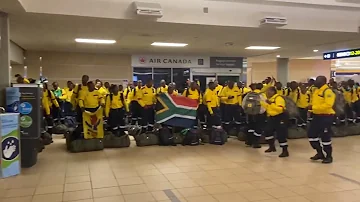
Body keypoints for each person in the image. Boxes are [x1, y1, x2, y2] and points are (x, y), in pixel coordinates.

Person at [308, 76, 335, 164]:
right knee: (311, 135)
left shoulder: (327, 91)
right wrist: (310, 110)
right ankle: (319, 153)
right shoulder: (316, 90)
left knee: (325, 137)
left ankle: (329, 156)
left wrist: (313, 107)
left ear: (323, 81)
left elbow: (328, 105)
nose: (315, 82)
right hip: (316, 116)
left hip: (326, 117)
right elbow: (315, 103)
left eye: (317, 80)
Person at [261, 86, 289, 157]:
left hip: (280, 117)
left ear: (273, 92)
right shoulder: (269, 99)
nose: (267, 93)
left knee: (281, 135)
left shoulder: (278, 98)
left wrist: (271, 104)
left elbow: (280, 109)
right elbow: (267, 107)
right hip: (272, 117)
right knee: (267, 131)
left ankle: (285, 151)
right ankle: (271, 147)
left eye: (269, 91)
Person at [245, 83, 267, 148]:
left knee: (250, 127)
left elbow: (244, 104)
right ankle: (256, 142)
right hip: (259, 114)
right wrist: (262, 112)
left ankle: (249, 141)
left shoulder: (249, 94)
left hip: (250, 113)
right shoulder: (262, 95)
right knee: (258, 128)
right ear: (262, 88)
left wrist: (248, 111)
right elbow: (264, 105)